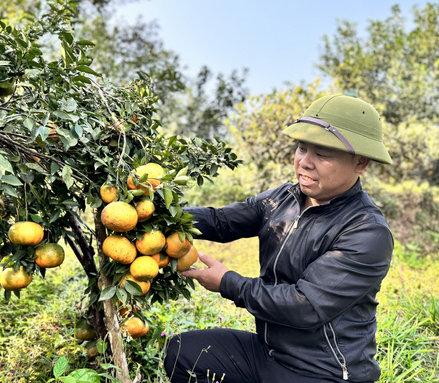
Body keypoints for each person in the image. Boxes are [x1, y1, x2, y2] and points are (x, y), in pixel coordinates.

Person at [163, 94, 394, 383]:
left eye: (322, 154)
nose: (304, 162)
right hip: (270, 353)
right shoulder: (283, 198)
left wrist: (228, 283)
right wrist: (160, 213)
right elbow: (222, 222)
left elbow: (305, 306)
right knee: (181, 353)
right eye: (301, 148)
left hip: (324, 372)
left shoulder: (366, 231)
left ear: (360, 163)